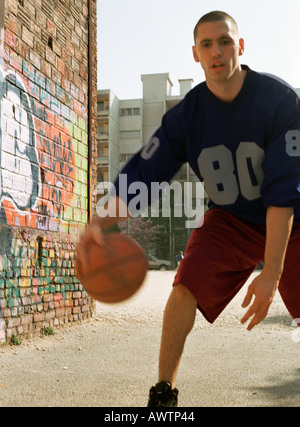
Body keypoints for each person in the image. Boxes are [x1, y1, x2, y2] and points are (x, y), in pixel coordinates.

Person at [77, 11, 300, 407]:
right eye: (207, 44)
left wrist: (271, 273)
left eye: (225, 41)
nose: (217, 52)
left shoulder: (280, 100)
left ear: (241, 46)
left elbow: (283, 194)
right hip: (230, 218)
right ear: (195, 54)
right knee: (183, 288)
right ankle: (163, 393)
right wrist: (100, 221)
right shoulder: (187, 116)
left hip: (292, 221)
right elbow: (147, 171)